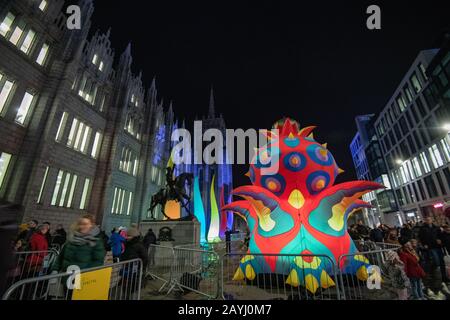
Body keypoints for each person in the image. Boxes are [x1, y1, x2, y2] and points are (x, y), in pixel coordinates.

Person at [119, 227, 148, 299]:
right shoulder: (128, 243)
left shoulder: (139, 245)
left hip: (135, 271)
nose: (126, 237)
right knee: (126, 287)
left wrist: (141, 268)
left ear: (134, 236)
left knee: (132, 288)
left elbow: (145, 258)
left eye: (129, 236)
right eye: (127, 235)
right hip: (127, 268)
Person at [419, 216, 449, 282]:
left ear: (432, 220)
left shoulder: (436, 227)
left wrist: (440, 240)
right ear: (425, 221)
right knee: (436, 262)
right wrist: (424, 244)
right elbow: (421, 237)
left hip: (437, 246)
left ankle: (444, 277)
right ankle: (432, 275)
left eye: (429, 219)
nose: (428, 221)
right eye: (426, 219)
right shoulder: (423, 228)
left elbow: (440, 235)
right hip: (430, 247)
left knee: (441, 262)